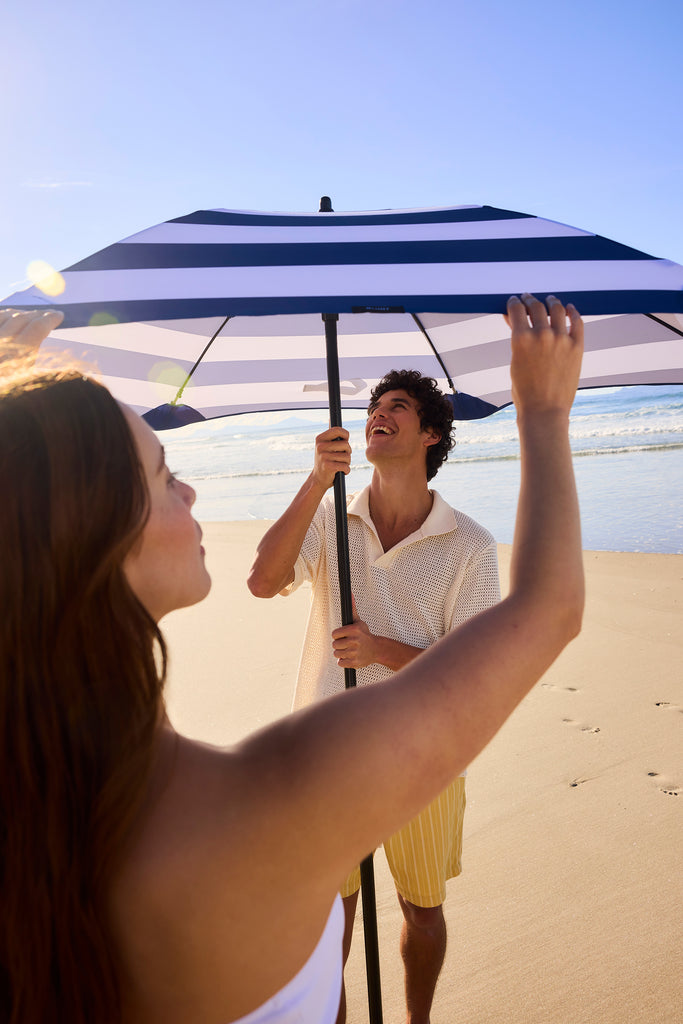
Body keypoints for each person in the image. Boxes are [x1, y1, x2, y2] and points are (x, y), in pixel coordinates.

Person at [0, 295, 584, 1024]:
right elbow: (548, 610)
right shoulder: (285, 785)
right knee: (334, 924)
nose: (190, 488)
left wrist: (19, 413)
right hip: (375, 739)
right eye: (163, 474)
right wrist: (543, 412)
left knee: (417, 907)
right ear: (95, 538)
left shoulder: (33, 804)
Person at [248, 363, 501, 1022]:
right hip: (327, 750)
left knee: (422, 910)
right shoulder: (332, 518)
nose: (376, 416)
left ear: (430, 434)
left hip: (424, 754)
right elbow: (262, 580)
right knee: (329, 915)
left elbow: (478, 672)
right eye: (372, 408)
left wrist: (380, 649)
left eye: (396, 406)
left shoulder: (469, 544)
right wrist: (315, 481)